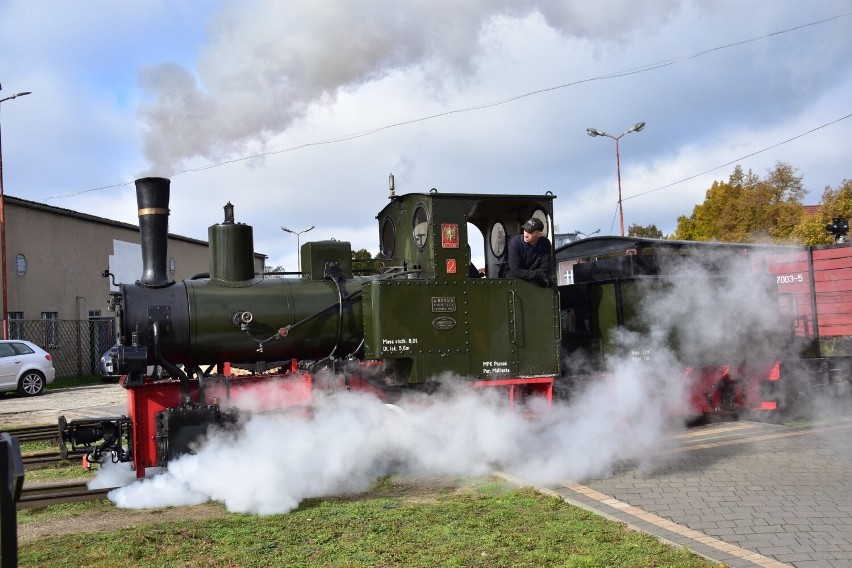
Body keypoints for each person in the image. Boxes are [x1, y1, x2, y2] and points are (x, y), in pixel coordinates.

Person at [508, 217, 553, 286]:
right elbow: (515, 271)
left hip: (534, 281)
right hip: (514, 281)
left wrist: (538, 275)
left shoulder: (545, 244)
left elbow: (544, 269)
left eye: (530, 232)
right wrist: (538, 274)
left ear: (539, 234)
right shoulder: (515, 243)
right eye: (525, 230)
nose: (525, 235)